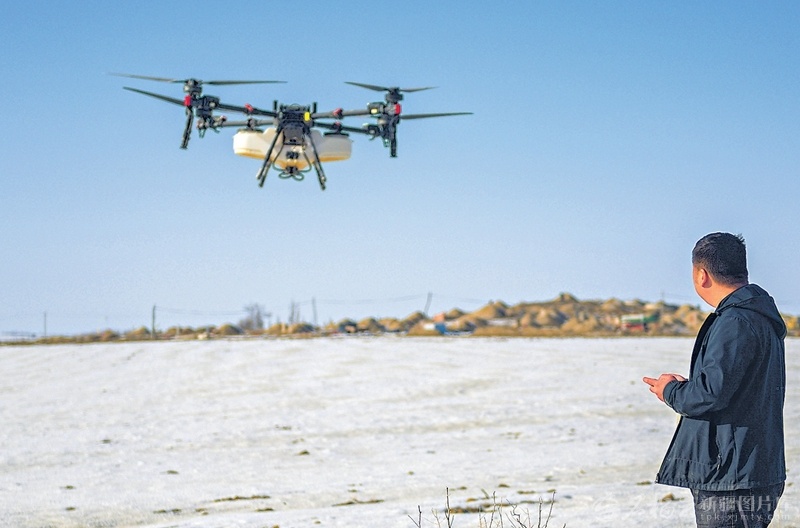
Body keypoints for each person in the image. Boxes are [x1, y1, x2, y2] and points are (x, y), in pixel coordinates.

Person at [643, 232, 786, 527]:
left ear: (701, 275)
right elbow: (727, 387)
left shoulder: (736, 320)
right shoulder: (756, 316)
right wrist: (687, 387)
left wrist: (669, 390)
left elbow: (710, 394)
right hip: (749, 470)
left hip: (732, 479)